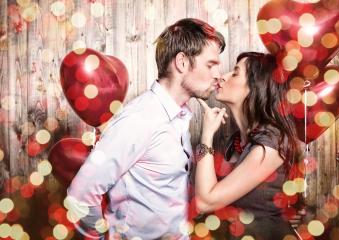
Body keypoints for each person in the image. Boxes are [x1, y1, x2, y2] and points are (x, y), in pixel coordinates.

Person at [66, 18, 225, 240]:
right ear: (182, 62)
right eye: (210, 65)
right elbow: (80, 195)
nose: (218, 75)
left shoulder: (179, 116)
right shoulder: (140, 119)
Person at [195, 52, 301, 239]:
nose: (223, 76)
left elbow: (205, 202)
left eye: (235, 73)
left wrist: (206, 135)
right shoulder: (234, 142)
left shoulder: (273, 143)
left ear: (255, 87)